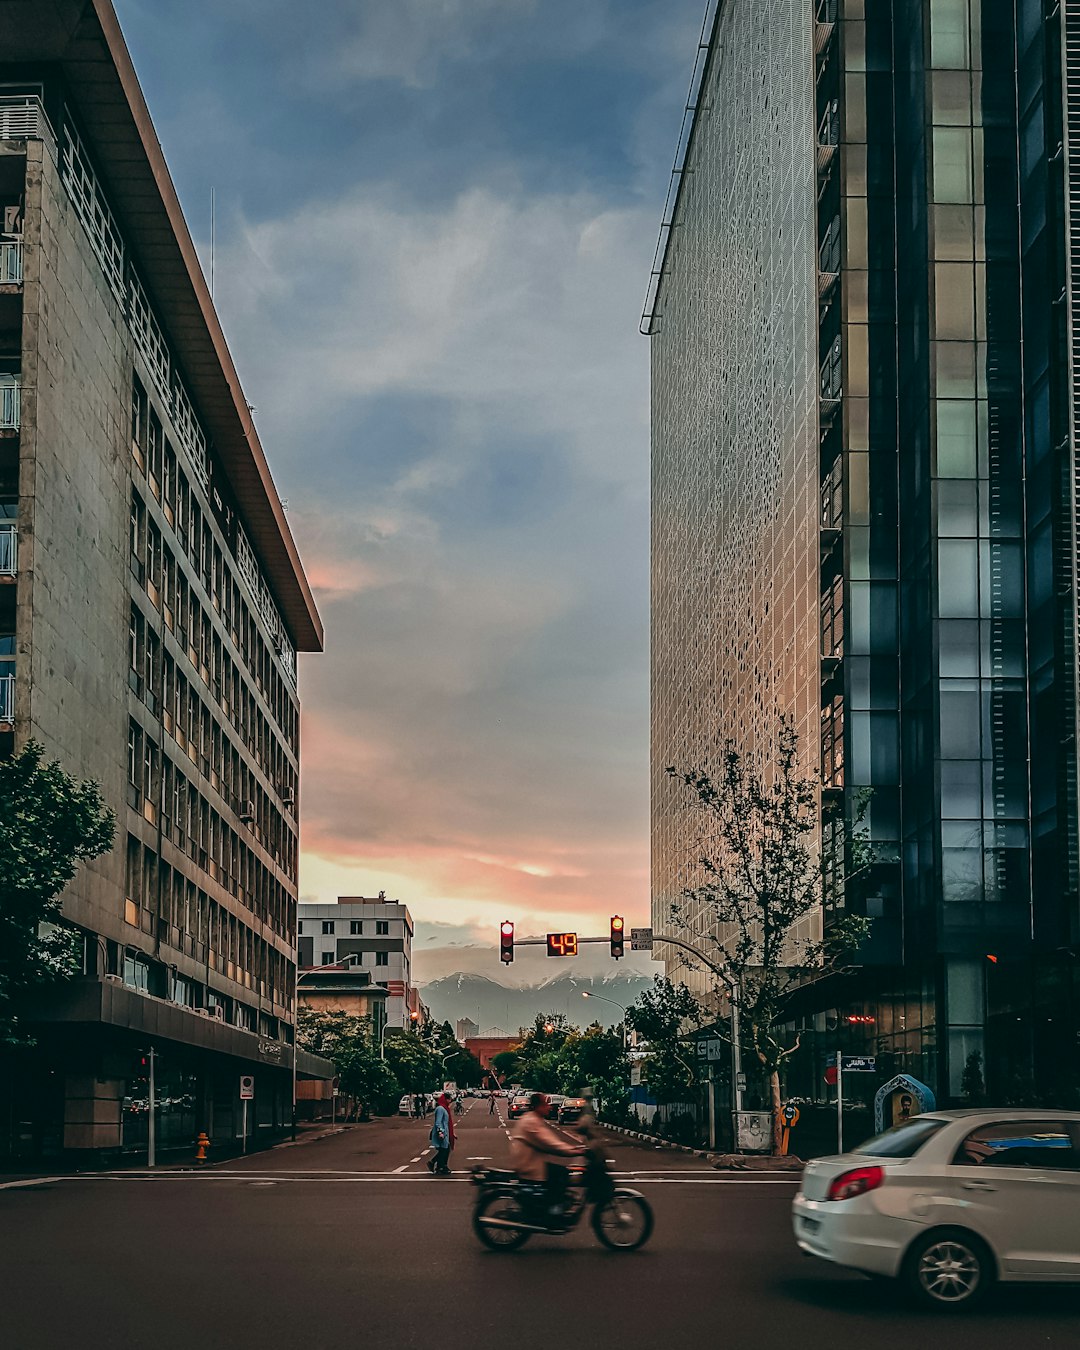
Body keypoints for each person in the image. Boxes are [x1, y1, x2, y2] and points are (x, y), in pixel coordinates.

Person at [509, 1092, 585, 1224]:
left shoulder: (534, 1119)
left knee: (557, 1172)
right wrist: (576, 1151)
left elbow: (550, 1141)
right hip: (529, 1166)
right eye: (546, 1104)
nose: (549, 1107)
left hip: (532, 1162)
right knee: (561, 1173)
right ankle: (554, 1211)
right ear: (538, 1106)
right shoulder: (531, 1122)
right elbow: (552, 1144)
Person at [427, 1092, 455, 1175]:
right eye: (449, 1099)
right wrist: (440, 1132)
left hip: (445, 1132)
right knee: (444, 1149)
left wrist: (451, 1133)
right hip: (441, 1133)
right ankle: (439, 1165)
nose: (450, 1101)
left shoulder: (444, 1108)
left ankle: (440, 1166)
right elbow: (438, 1122)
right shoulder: (440, 1109)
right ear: (445, 1099)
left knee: (445, 1149)